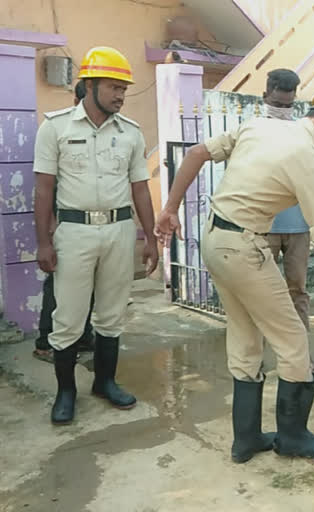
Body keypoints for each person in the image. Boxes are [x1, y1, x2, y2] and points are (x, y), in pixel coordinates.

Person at [154, 89, 314, 463]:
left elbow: (197, 153)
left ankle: (245, 440)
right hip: (245, 248)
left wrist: (169, 208)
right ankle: (293, 437)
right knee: (293, 339)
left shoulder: (260, 125)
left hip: (214, 240)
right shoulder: (309, 161)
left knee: (246, 338)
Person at [33, 47, 159, 425]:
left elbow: (140, 188)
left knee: (111, 314)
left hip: (119, 231)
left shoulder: (131, 134)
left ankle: (105, 382)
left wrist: (150, 238)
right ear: (89, 85)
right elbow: (43, 189)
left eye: (123, 88)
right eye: (113, 87)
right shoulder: (54, 127)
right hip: (74, 232)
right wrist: (43, 241)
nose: (121, 94)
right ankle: (66, 392)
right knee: (69, 317)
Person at [261, 69, 314, 377]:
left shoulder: (304, 135)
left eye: (287, 105)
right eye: (277, 104)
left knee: (297, 292)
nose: (282, 111)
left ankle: (302, 359)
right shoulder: (252, 133)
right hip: (264, 229)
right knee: (259, 293)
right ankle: (253, 359)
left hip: (299, 228)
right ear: (265, 98)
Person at [33, 80, 96, 364]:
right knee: (57, 286)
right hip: (63, 226)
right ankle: (46, 342)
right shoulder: (58, 131)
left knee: (90, 283)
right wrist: (49, 231)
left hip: (91, 229)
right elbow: (46, 188)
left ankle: (83, 335)